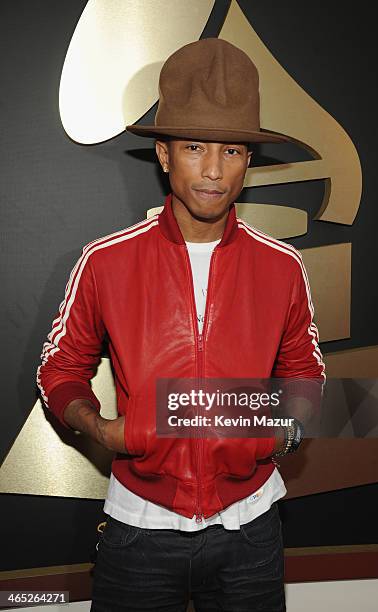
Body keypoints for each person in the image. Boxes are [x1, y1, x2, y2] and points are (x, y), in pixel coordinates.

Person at [37, 38, 325, 612]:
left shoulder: (282, 266)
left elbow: (305, 376)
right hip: (138, 531)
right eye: (195, 147)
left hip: (253, 531)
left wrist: (280, 433)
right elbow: (60, 369)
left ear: (249, 160)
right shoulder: (107, 261)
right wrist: (99, 429)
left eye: (234, 151)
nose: (215, 171)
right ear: (164, 155)